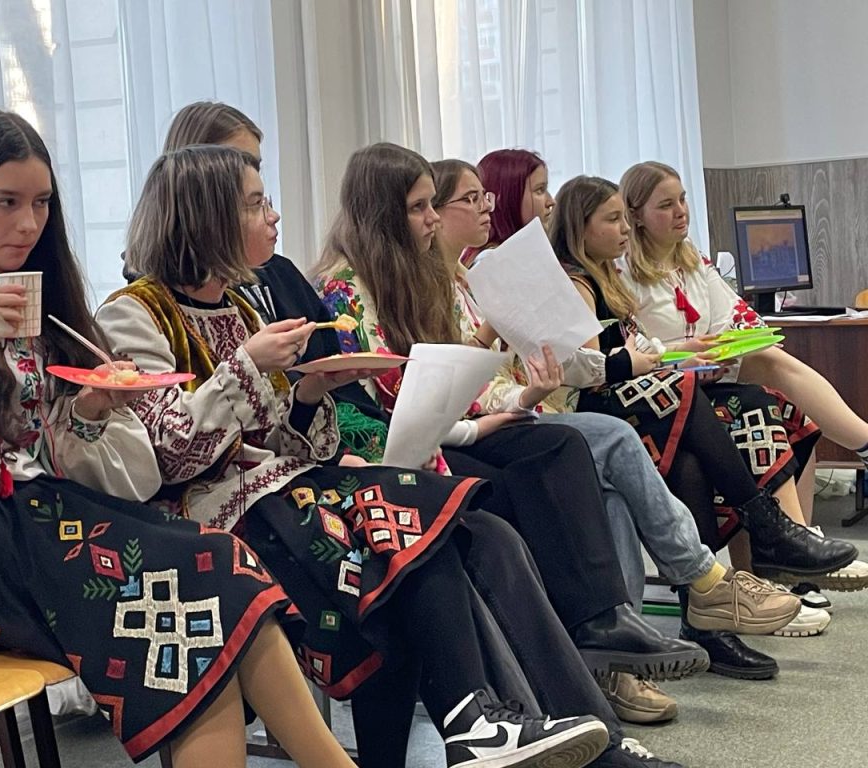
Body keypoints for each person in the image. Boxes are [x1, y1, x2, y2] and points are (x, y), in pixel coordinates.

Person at [149, 103, 689, 765]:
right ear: (201, 202)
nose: (274, 212)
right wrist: (276, 382)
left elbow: (298, 429)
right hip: (257, 502)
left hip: (326, 473)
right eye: (254, 194)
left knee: (493, 522)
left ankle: (576, 725)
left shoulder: (260, 295)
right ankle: (494, 719)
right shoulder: (156, 310)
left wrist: (313, 399)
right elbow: (172, 454)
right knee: (454, 519)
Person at [0, 109, 365, 767]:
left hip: (43, 520)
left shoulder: (39, 298)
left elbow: (76, 460)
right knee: (199, 581)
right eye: (6, 202)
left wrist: (91, 410)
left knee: (220, 568)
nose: (28, 223)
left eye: (41, 203)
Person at [428, 157, 805, 718]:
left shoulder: (477, 278)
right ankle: (711, 574)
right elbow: (474, 381)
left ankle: (620, 657)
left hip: (533, 411)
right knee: (629, 431)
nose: (545, 203)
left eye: (488, 197)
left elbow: (551, 360)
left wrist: (547, 382)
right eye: (476, 198)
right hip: (509, 422)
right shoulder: (472, 280)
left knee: (626, 487)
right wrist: (539, 382)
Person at [547, 173, 862, 673]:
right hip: (596, 413)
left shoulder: (611, 275)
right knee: (688, 394)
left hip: (644, 402)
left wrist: (676, 355)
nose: (624, 228)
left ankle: (709, 617)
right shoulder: (577, 283)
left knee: (708, 444)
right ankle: (766, 529)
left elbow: (644, 346)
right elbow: (588, 368)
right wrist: (663, 360)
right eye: (613, 220)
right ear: (580, 228)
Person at [619, 159, 868, 601]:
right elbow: (632, 352)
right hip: (664, 393)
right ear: (635, 215)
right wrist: (687, 355)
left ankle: (796, 550)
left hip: (706, 379)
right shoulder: (622, 274)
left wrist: (722, 349)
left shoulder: (692, 261)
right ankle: (793, 555)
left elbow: (736, 318)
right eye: (666, 205)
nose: (681, 211)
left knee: (787, 401)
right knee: (760, 402)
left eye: (682, 200)